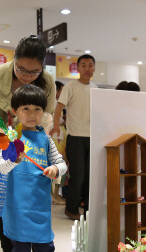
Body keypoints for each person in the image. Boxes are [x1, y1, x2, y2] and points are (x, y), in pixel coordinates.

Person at [0, 35, 56, 252]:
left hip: (32, 147)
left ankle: (39, 250)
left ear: (42, 67)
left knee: (31, 199)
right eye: (21, 69)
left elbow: (46, 118)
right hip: (1, 143)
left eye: (34, 72)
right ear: (14, 59)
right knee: (3, 200)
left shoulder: (47, 82)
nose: (27, 75)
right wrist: (2, 135)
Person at [0, 84, 67, 252]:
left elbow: (62, 164)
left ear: (43, 112)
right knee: (20, 251)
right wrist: (15, 160)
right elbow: (1, 169)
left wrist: (55, 169)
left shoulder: (46, 139)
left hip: (40, 207)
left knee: (45, 250)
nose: (31, 114)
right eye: (25, 108)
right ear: (15, 111)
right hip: (17, 208)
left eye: (37, 109)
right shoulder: (10, 138)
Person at [50, 54, 96, 220]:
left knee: (91, 175)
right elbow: (59, 108)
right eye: (83, 65)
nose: (87, 68)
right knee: (78, 175)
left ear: (94, 68)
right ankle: (71, 209)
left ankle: (89, 209)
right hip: (75, 137)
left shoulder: (96, 88)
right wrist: (56, 125)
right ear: (78, 68)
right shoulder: (71, 86)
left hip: (93, 138)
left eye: (90, 65)